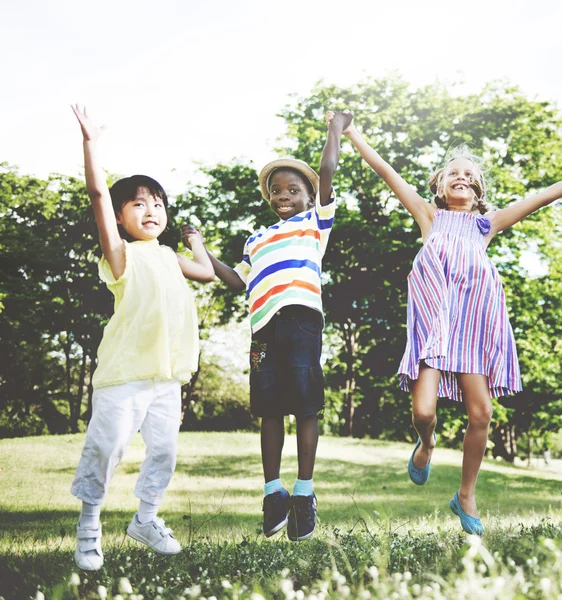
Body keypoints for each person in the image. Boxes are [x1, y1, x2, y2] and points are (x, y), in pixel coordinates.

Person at [339, 114, 562, 535]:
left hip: (474, 331)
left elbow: (542, 196)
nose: (461, 177)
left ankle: (465, 495)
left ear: (478, 191)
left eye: (469, 175)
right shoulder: (429, 217)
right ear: (440, 187)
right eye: (453, 173)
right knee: (423, 411)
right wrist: (352, 133)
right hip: (435, 330)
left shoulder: (486, 224)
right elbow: (386, 170)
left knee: (482, 412)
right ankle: (427, 444)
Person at [69, 105, 215, 570]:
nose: (151, 209)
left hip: (167, 377)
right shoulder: (121, 255)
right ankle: (89, 527)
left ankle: (145, 520)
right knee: (106, 449)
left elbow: (208, 274)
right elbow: (95, 193)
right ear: (119, 216)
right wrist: (91, 143)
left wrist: (195, 240)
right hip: (125, 376)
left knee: (165, 452)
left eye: (157, 202)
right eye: (138, 202)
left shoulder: (170, 256)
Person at [196, 110, 352, 541]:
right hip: (263, 328)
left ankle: (303, 492)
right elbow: (236, 279)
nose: (284, 194)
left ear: (309, 196)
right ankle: (273, 493)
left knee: (304, 402)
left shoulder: (314, 224)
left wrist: (334, 129)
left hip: (302, 320)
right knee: (267, 407)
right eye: (276, 190)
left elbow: (327, 170)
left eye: (294, 189)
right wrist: (200, 248)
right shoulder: (256, 238)